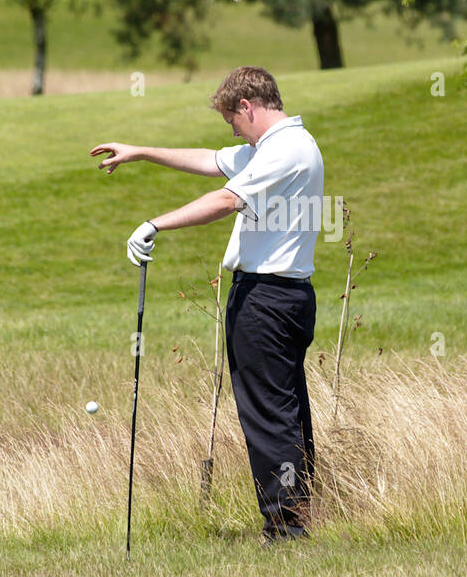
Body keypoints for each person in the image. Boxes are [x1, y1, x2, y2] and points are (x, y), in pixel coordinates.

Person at [90, 66, 324, 543]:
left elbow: (224, 199)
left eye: (232, 121)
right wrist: (141, 152)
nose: (232, 131)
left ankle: (285, 525)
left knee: (268, 411)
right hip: (282, 295)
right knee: (285, 405)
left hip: (267, 299)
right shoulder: (281, 146)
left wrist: (155, 224)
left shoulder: (285, 152)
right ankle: (293, 514)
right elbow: (211, 161)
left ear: (248, 106)